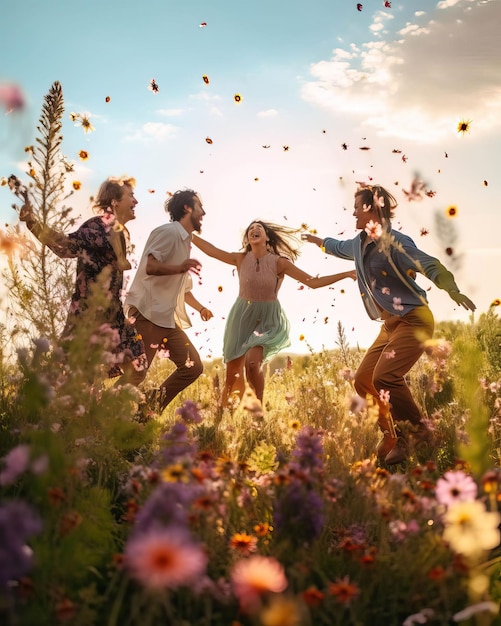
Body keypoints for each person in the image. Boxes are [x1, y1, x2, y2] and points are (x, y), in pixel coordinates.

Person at [302, 183, 476, 465]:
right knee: (363, 380)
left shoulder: (397, 243)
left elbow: (427, 264)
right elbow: (336, 247)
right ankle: (391, 434)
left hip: (414, 320)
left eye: (357, 207)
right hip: (390, 326)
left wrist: (451, 288)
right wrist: (317, 241)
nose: (353, 212)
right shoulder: (359, 244)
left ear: (371, 209)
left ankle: (418, 434)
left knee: (385, 377)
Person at [192, 220, 357, 409]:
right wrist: (188, 233)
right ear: (248, 238)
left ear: (267, 237)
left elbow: (312, 282)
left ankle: (257, 412)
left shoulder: (279, 263)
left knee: (252, 364)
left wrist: (345, 274)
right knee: (232, 376)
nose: (254, 229)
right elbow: (212, 251)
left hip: (266, 320)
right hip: (240, 318)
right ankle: (223, 415)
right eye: (250, 229)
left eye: (259, 228)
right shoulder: (240, 258)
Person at [15, 175, 147, 381]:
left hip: (113, 316)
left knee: (135, 368)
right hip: (90, 317)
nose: (136, 201)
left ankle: (112, 410)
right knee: (79, 380)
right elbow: (64, 246)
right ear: (115, 202)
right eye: (131, 196)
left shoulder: (119, 232)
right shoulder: (98, 227)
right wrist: (32, 222)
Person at [123, 189, 213, 414]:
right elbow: (151, 267)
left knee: (192, 367)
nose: (203, 212)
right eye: (199, 206)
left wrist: (200, 308)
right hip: (148, 313)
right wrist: (179, 267)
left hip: (166, 320)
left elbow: (182, 289)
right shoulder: (169, 232)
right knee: (137, 374)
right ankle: (97, 416)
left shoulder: (184, 241)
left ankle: (148, 409)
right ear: (187, 208)